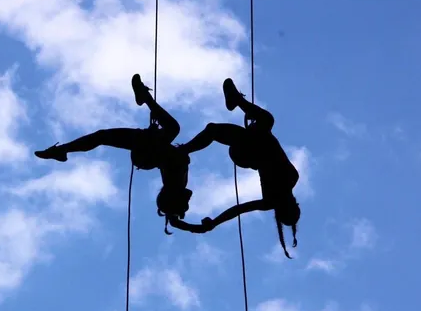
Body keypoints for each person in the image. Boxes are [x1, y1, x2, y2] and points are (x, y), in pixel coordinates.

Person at [34, 74, 194, 231]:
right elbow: (173, 217)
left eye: (185, 204)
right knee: (103, 136)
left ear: (175, 197)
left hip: (147, 153)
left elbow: (173, 217)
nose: (189, 199)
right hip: (147, 152)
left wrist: (201, 227)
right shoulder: (178, 183)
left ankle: (145, 98)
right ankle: (61, 151)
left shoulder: (176, 182)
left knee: (172, 128)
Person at [178, 78, 301, 258]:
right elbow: (238, 209)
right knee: (215, 129)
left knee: (265, 121)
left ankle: (184, 149)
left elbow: (238, 209)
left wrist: (214, 223)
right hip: (251, 143)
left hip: (247, 152)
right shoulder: (288, 181)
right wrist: (213, 223)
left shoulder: (287, 183)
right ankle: (235, 101)